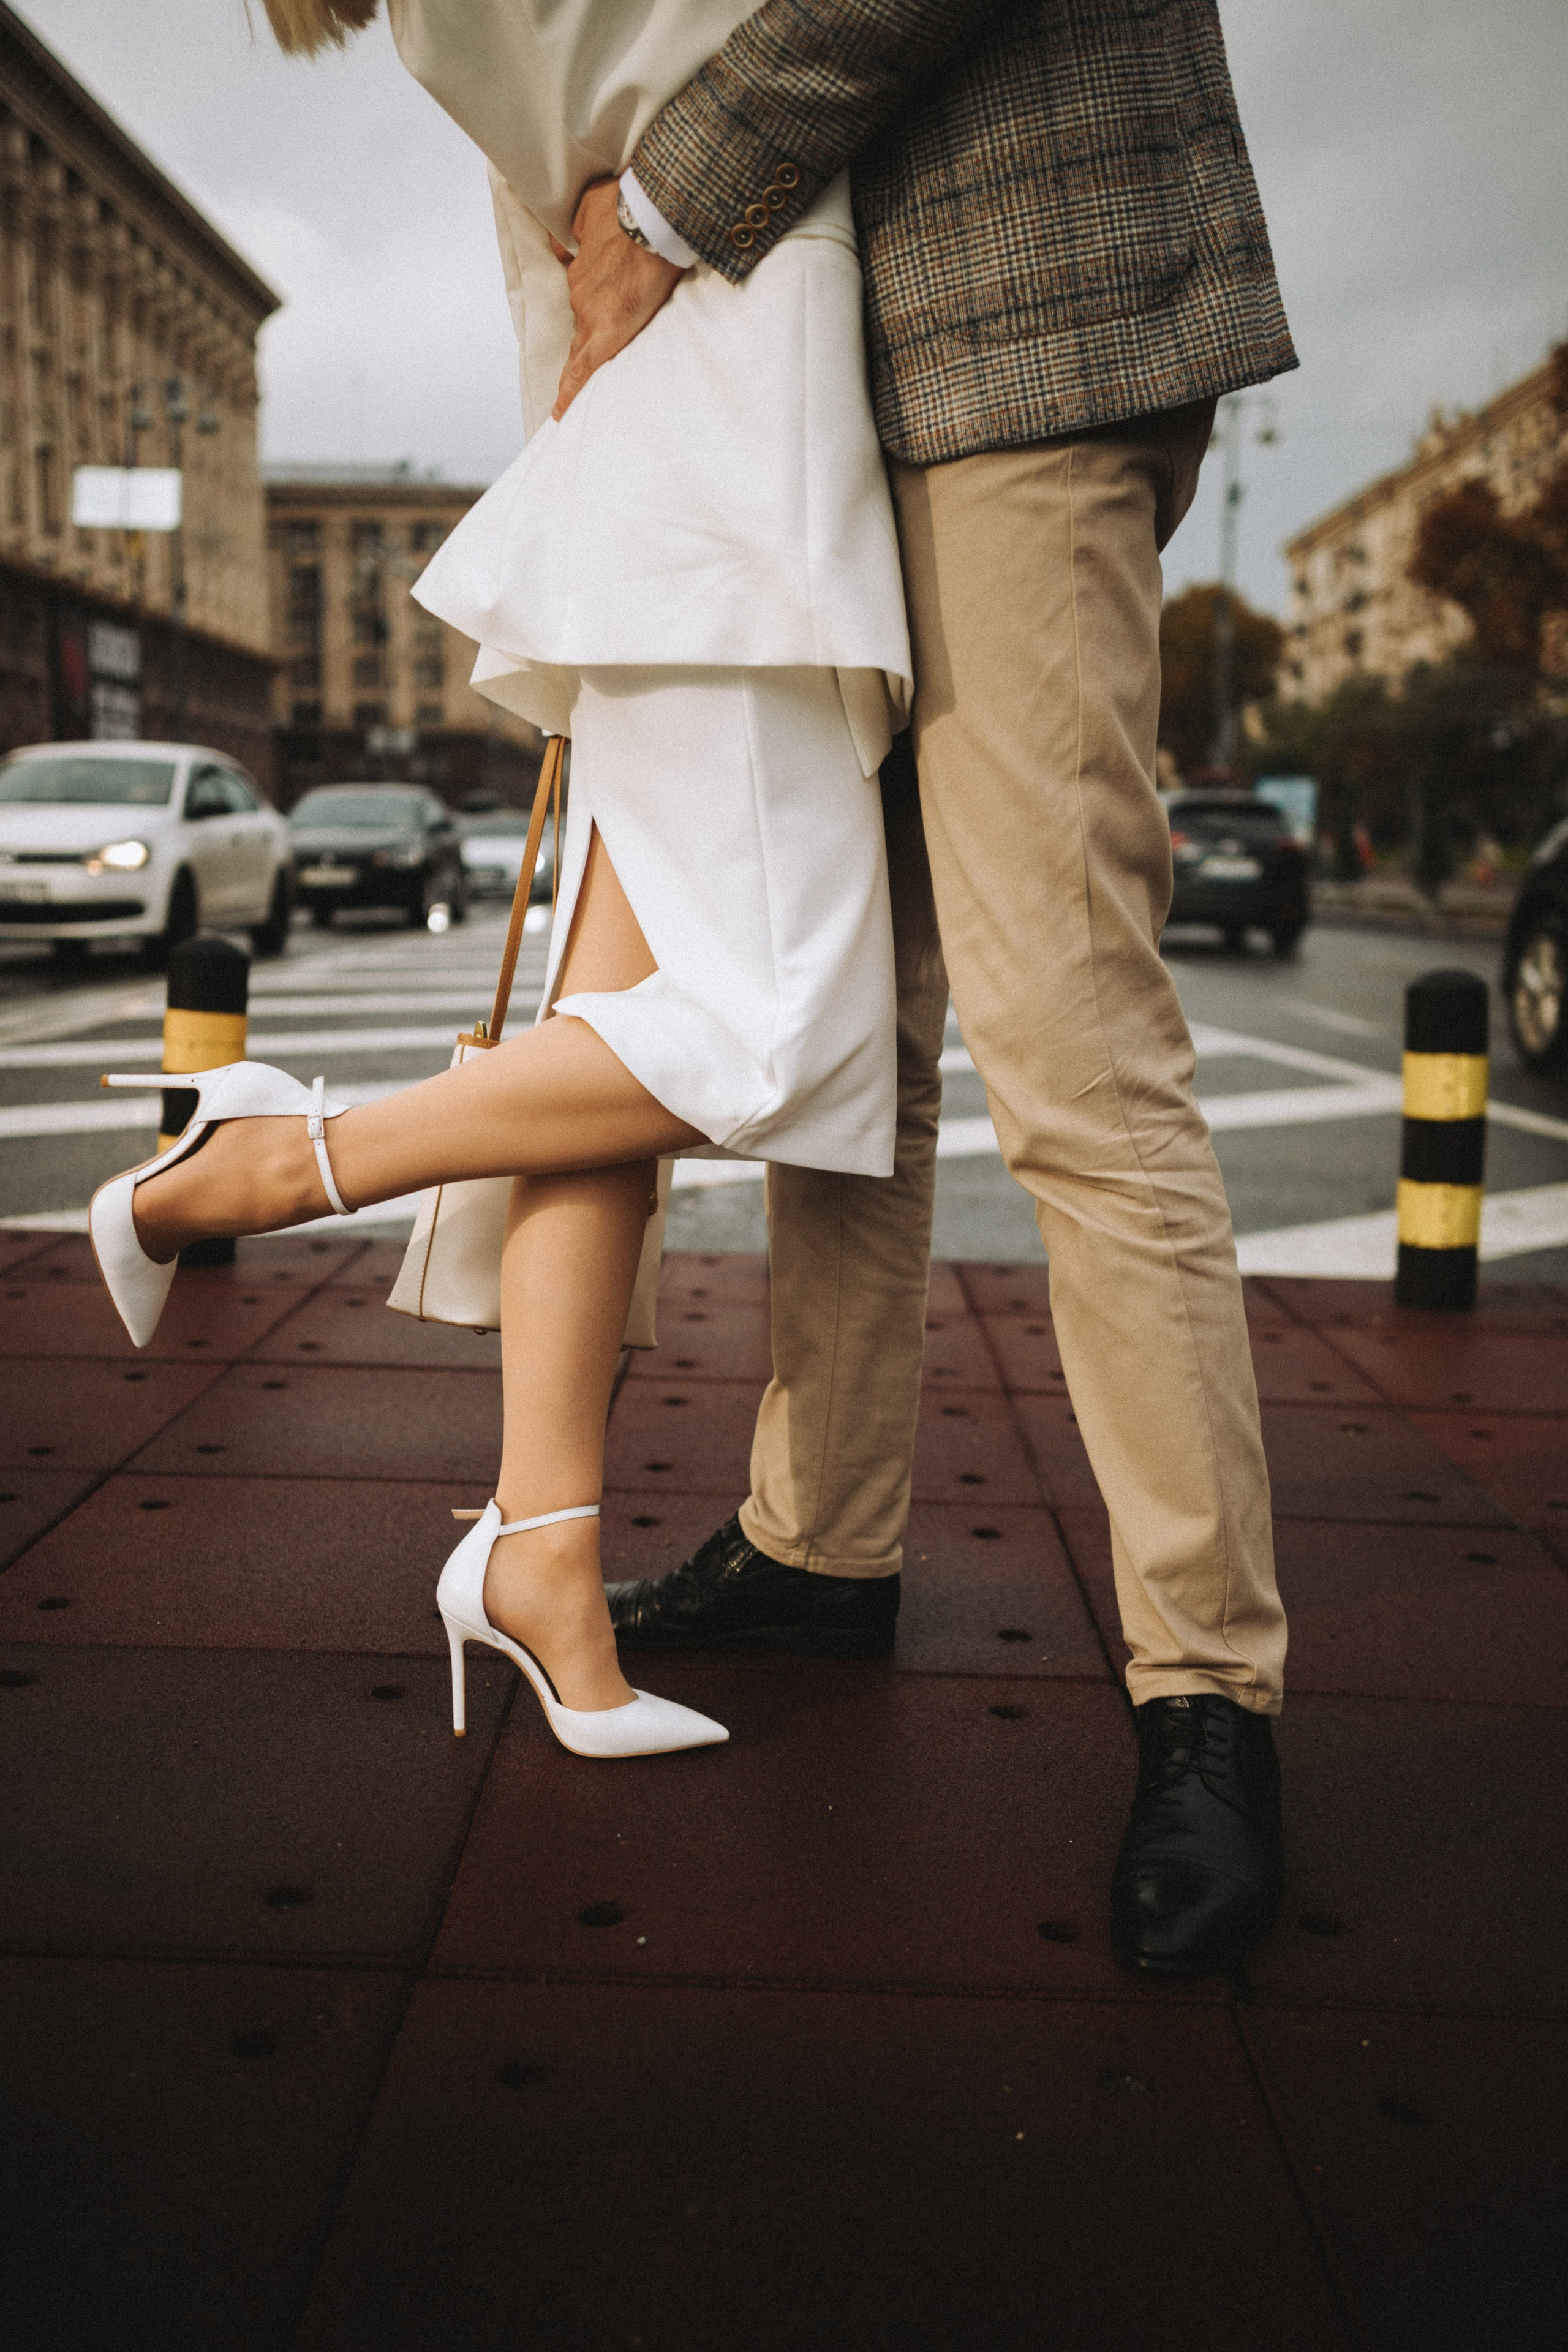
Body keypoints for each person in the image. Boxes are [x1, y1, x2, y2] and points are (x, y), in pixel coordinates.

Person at [561, 1, 1300, 1977]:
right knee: (846, 1024)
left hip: (1020, 328)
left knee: (1072, 1045)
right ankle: (819, 1540)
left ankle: (1207, 1690)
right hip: (840, 382)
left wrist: (667, 189)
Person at [88, 0, 916, 1764]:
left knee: (618, 1055)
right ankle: (245, 1170)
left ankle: (543, 1548)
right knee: (775, 1035)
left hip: (665, 464)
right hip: (731, 461)